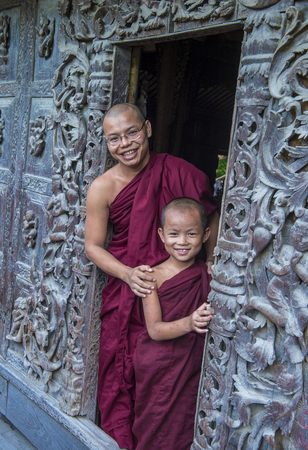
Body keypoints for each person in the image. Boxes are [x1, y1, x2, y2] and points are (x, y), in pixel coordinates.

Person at [85, 103, 219, 449]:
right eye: (114, 139)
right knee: (124, 376)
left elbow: (209, 219)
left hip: (182, 289)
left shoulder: (179, 172)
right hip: (133, 289)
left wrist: (212, 267)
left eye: (131, 132)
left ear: (147, 129)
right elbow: (93, 246)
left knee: (174, 383)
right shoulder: (103, 187)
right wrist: (128, 274)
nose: (125, 144)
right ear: (107, 143)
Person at [133, 198, 214, 450]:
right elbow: (154, 330)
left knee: (182, 426)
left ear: (205, 235)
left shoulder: (207, 274)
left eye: (191, 234)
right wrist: (190, 322)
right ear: (161, 235)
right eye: (174, 234)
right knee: (155, 426)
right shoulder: (151, 276)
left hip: (189, 365)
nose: (182, 241)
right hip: (158, 364)